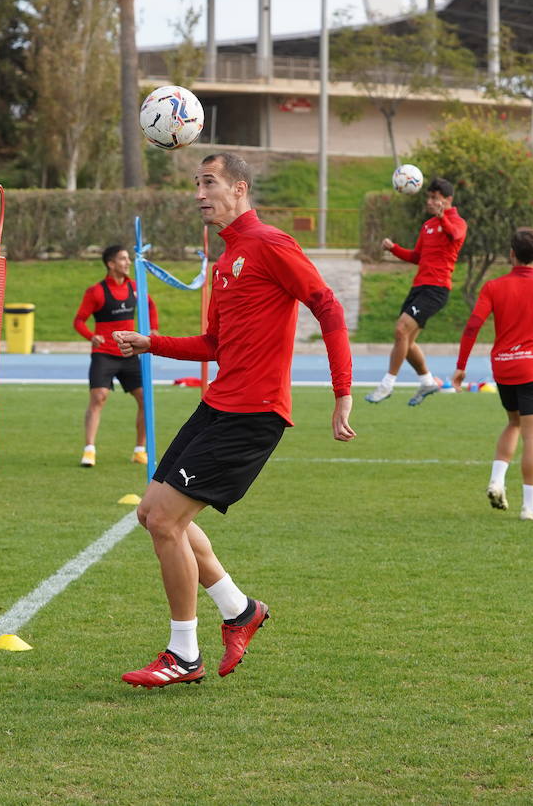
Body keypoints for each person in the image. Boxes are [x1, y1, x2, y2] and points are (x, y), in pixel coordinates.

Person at [112, 152, 355, 688]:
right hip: (218, 404)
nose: (199, 193)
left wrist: (342, 392)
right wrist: (151, 342)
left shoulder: (270, 244)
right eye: (196, 183)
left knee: (166, 522)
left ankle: (184, 655)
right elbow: (214, 345)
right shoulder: (224, 263)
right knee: (151, 514)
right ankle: (240, 610)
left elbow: (328, 307)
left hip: (253, 414)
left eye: (209, 183)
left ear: (240, 188)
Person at [452, 227, 533, 520]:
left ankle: (497, 480)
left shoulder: (493, 287)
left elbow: (472, 327)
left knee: (513, 422)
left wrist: (461, 367)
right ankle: (530, 507)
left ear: (511, 254)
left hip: (503, 366)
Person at [367, 177, 466, 406]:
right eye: (429, 197)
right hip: (419, 286)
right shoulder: (428, 225)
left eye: (435, 198)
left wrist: (443, 216)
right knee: (407, 342)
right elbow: (417, 257)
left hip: (437, 288)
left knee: (401, 328)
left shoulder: (457, 222)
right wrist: (394, 249)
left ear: (448, 200)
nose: (430, 201)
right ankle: (428, 381)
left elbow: (456, 236)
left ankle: (387, 384)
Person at [72, 244, 158, 467]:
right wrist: (91, 336)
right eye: (122, 259)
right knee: (99, 397)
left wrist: (154, 329)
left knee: (144, 399)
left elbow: (150, 306)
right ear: (111, 264)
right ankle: (89, 450)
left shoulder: (135, 287)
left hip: (129, 352)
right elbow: (78, 321)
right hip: (104, 354)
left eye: (128, 258)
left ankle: (140, 450)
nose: (128, 262)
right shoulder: (96, 292)